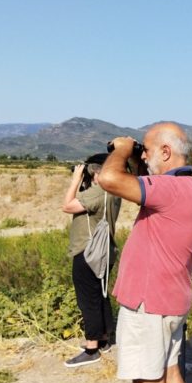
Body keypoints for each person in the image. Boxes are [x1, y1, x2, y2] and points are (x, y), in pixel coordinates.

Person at [99, 123, 192, 383]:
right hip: (169, 300)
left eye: (146, 150)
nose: (142, 156)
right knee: (170, 375)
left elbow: (109, 179)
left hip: (148, 303)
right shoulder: (188, 189)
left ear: (165, 151)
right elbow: (136, 184)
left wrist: (120, 149)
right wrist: (137, 158)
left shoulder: (168, 189)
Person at [61, 153, 121, 367]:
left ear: (97, 173)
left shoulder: (97, 192)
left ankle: (92, 347)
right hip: (105, 251)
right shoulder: (114, 192)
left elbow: (67, 205)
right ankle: (104, 338)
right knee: (100, 294)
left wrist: (76, 179)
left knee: (88, 299)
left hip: (88, 251)